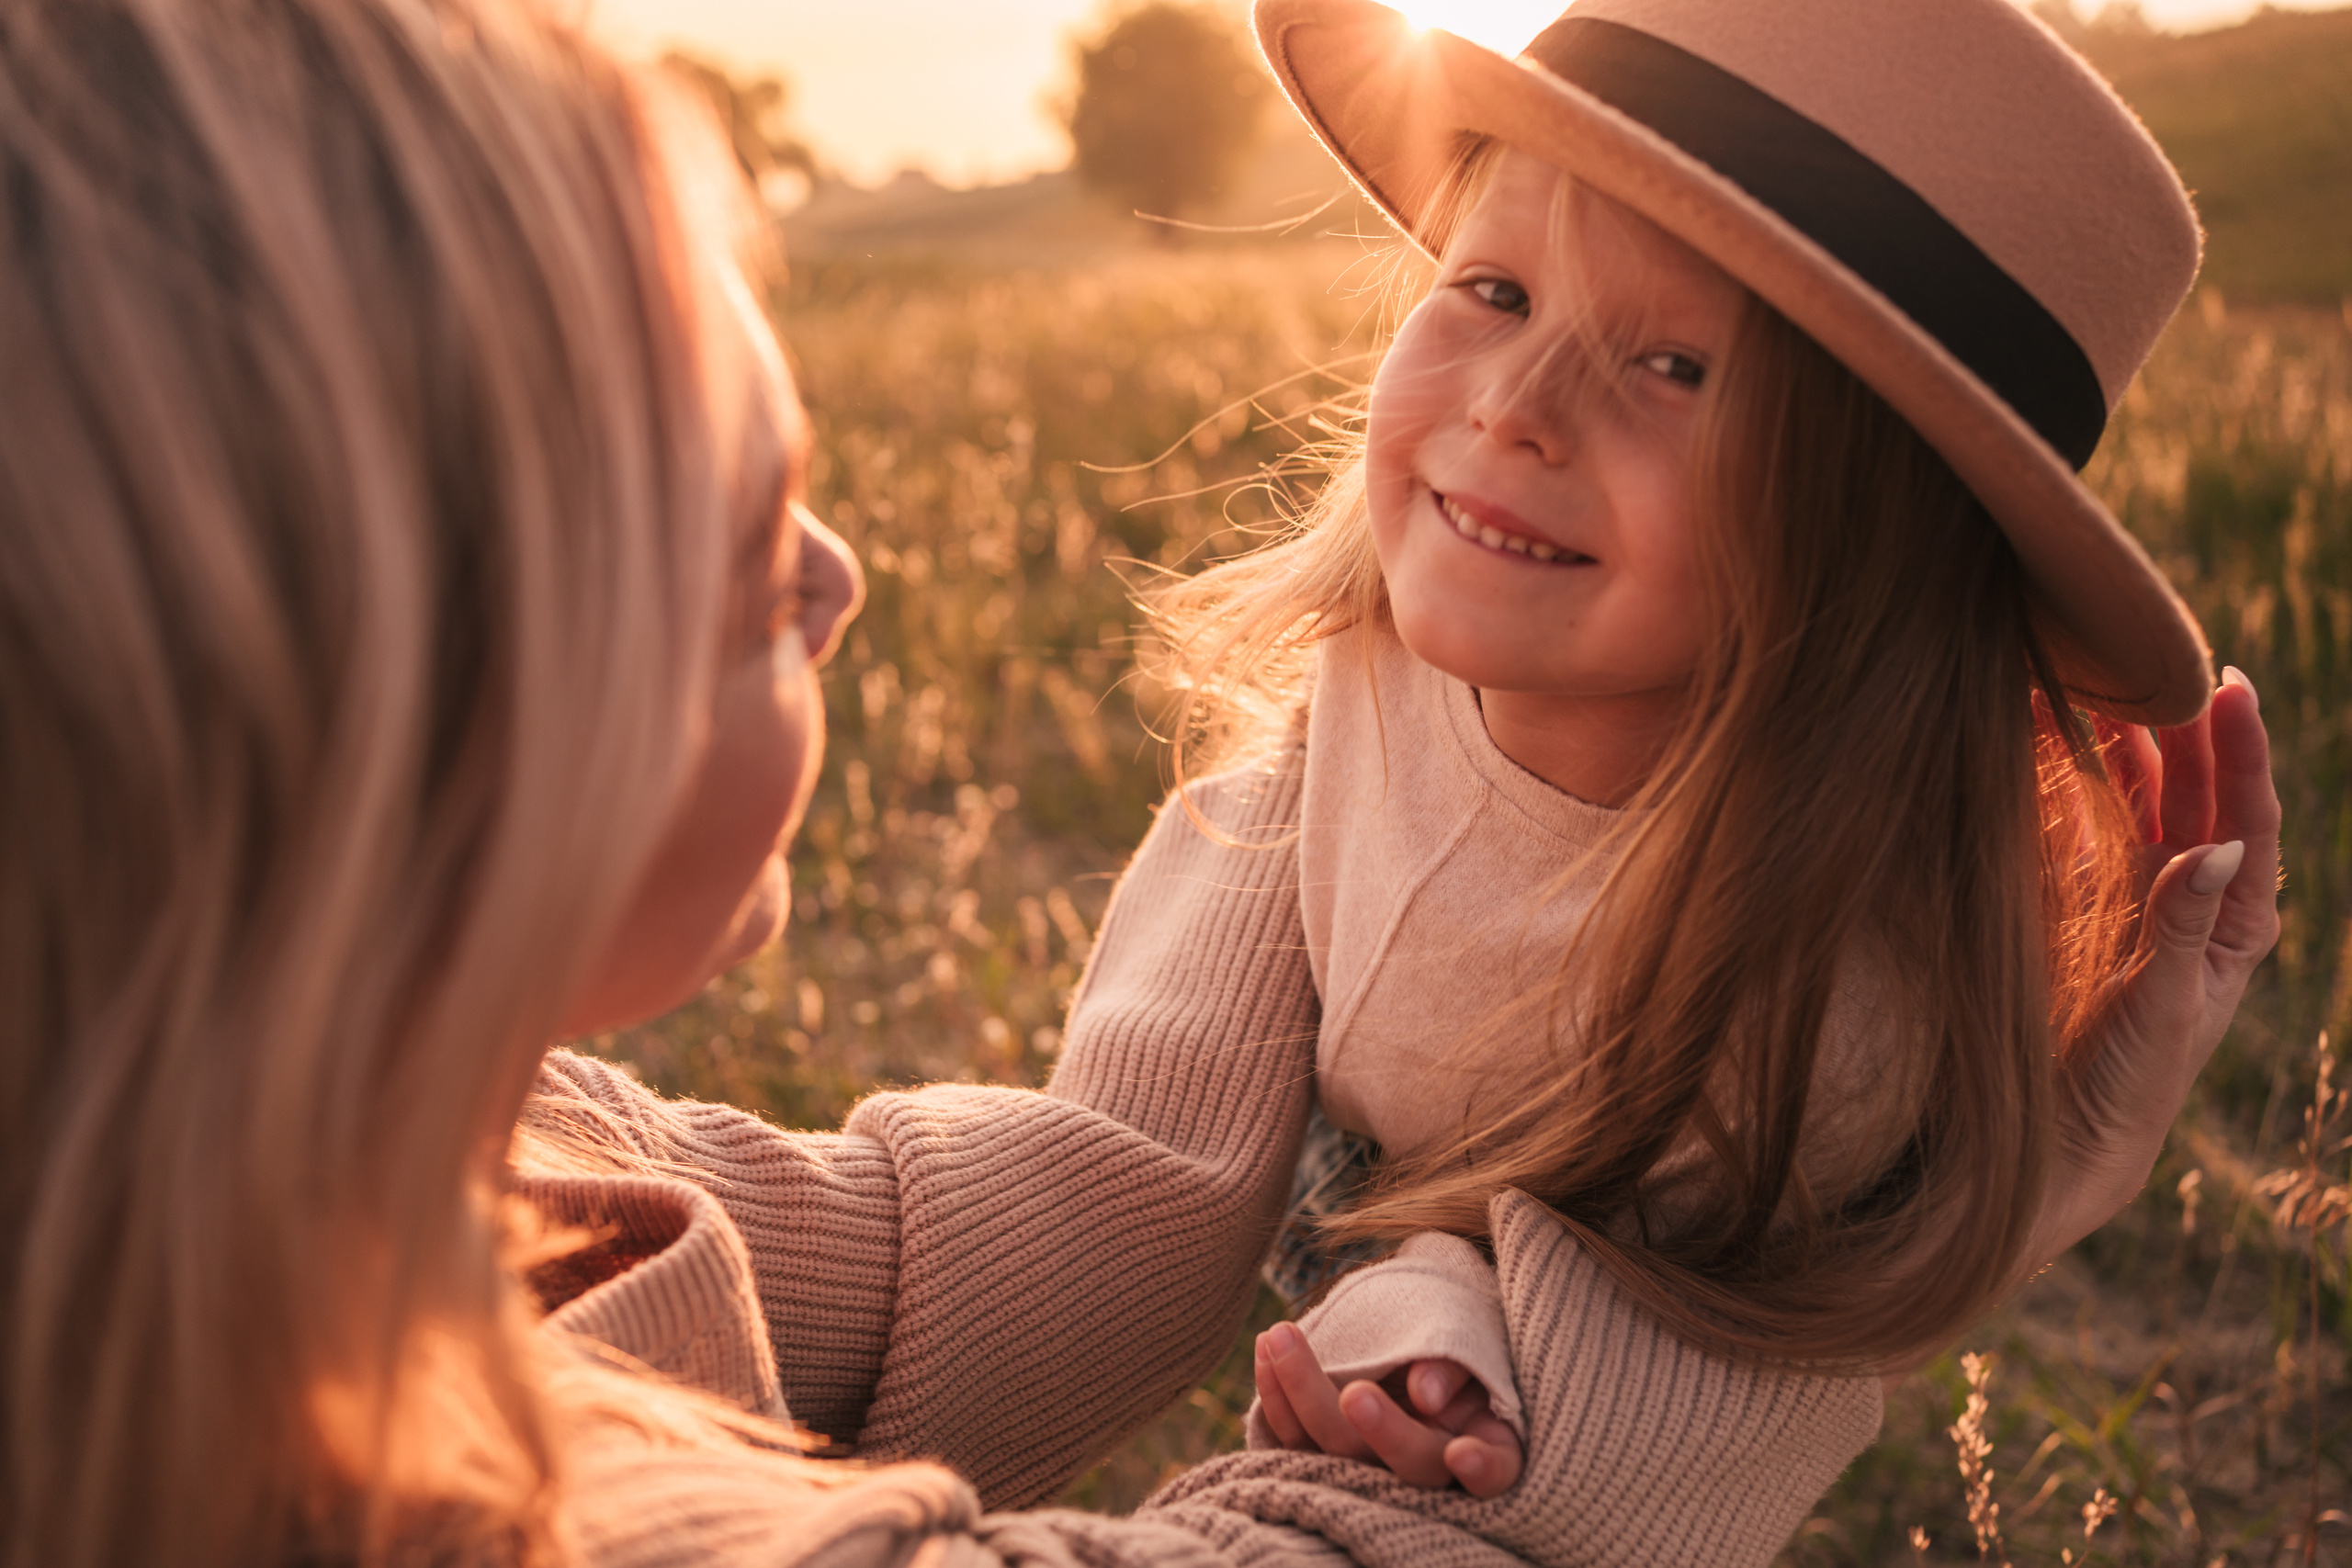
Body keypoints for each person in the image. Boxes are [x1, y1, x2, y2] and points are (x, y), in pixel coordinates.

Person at [0, 4, 2274, 1568]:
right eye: (708, 524)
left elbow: (887, 1265)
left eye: (1672, 366)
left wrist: (1869, 1169)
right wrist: (1855, 1285)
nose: (833, 564)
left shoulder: (282, 1194)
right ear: (358, 680)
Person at [1103, 0, 2290, 1516]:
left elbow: (1661, 1381)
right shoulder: (1374, 662)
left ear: (1865, 545)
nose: (1515, 408)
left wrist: (1442, 1338)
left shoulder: (1819, 1013)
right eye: (1495, 286)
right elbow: (1123, 1140)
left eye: (1674, 367)